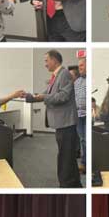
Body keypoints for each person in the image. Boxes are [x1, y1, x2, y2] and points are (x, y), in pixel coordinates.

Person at [26, 50, 82, 188]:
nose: (45, 64)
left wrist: (42, 97)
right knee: (67, 155)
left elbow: (63, 96)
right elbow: (47, 93)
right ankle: (74, 183)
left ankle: (66, 185)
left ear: (55, 60)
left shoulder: (64, 75)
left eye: (46, 60)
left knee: (65, 156)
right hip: (62, 123)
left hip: (66, 123)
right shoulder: (56, 75)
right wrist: (31, 96)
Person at [74, 58, 86, 174]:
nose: (79, 68)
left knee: (88, 140)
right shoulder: (77, 82)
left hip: (87, 116)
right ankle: (83, 164)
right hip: (79, 115)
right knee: (82, 140)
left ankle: (87, 163)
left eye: (82, 65)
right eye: (79, 66)